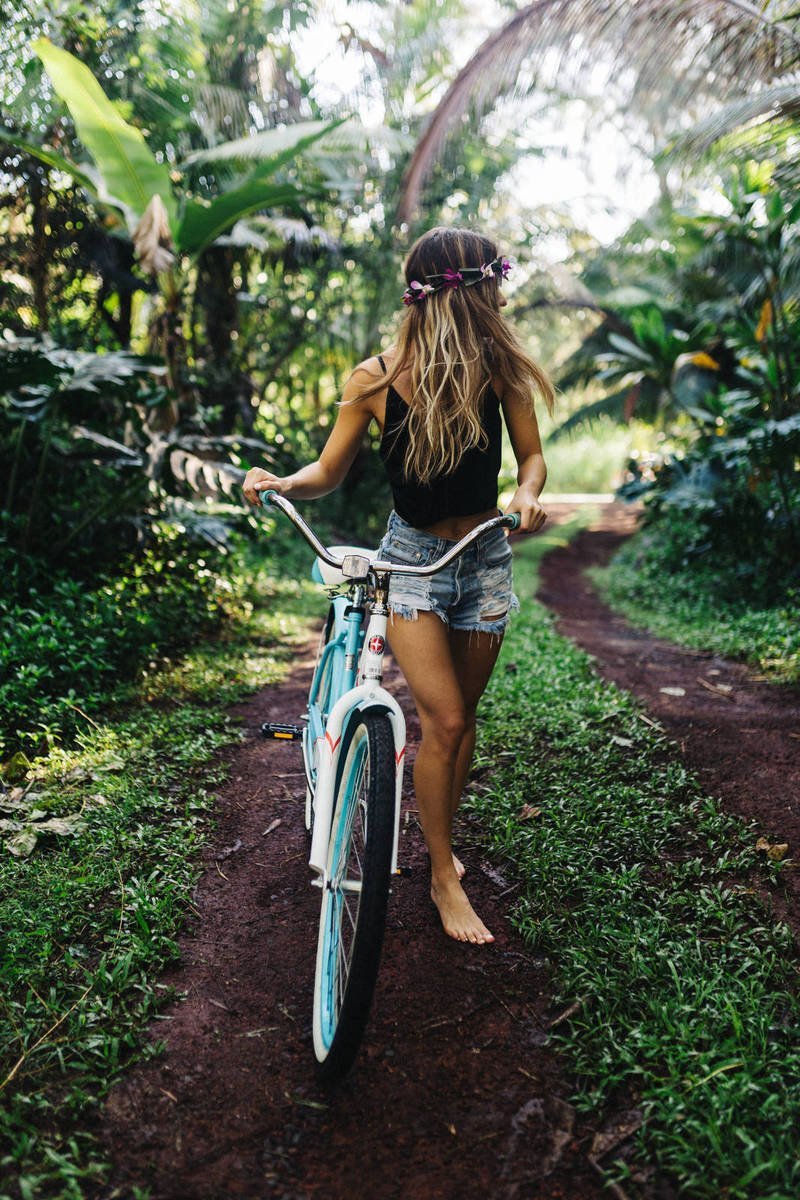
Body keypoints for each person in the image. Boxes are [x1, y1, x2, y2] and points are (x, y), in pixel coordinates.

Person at [243, 226, 553, 945]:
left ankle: (441, 837)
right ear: (468, 292)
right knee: (442, 721)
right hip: (410, 562)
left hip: (483, 554)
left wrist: (529, 493)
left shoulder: (499, 369)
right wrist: (282, 482)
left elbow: (532, 458)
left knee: (461, 721)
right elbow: (327, 472)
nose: (500, 297)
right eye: (492, 285)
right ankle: (442, 875)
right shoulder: (375, 379)